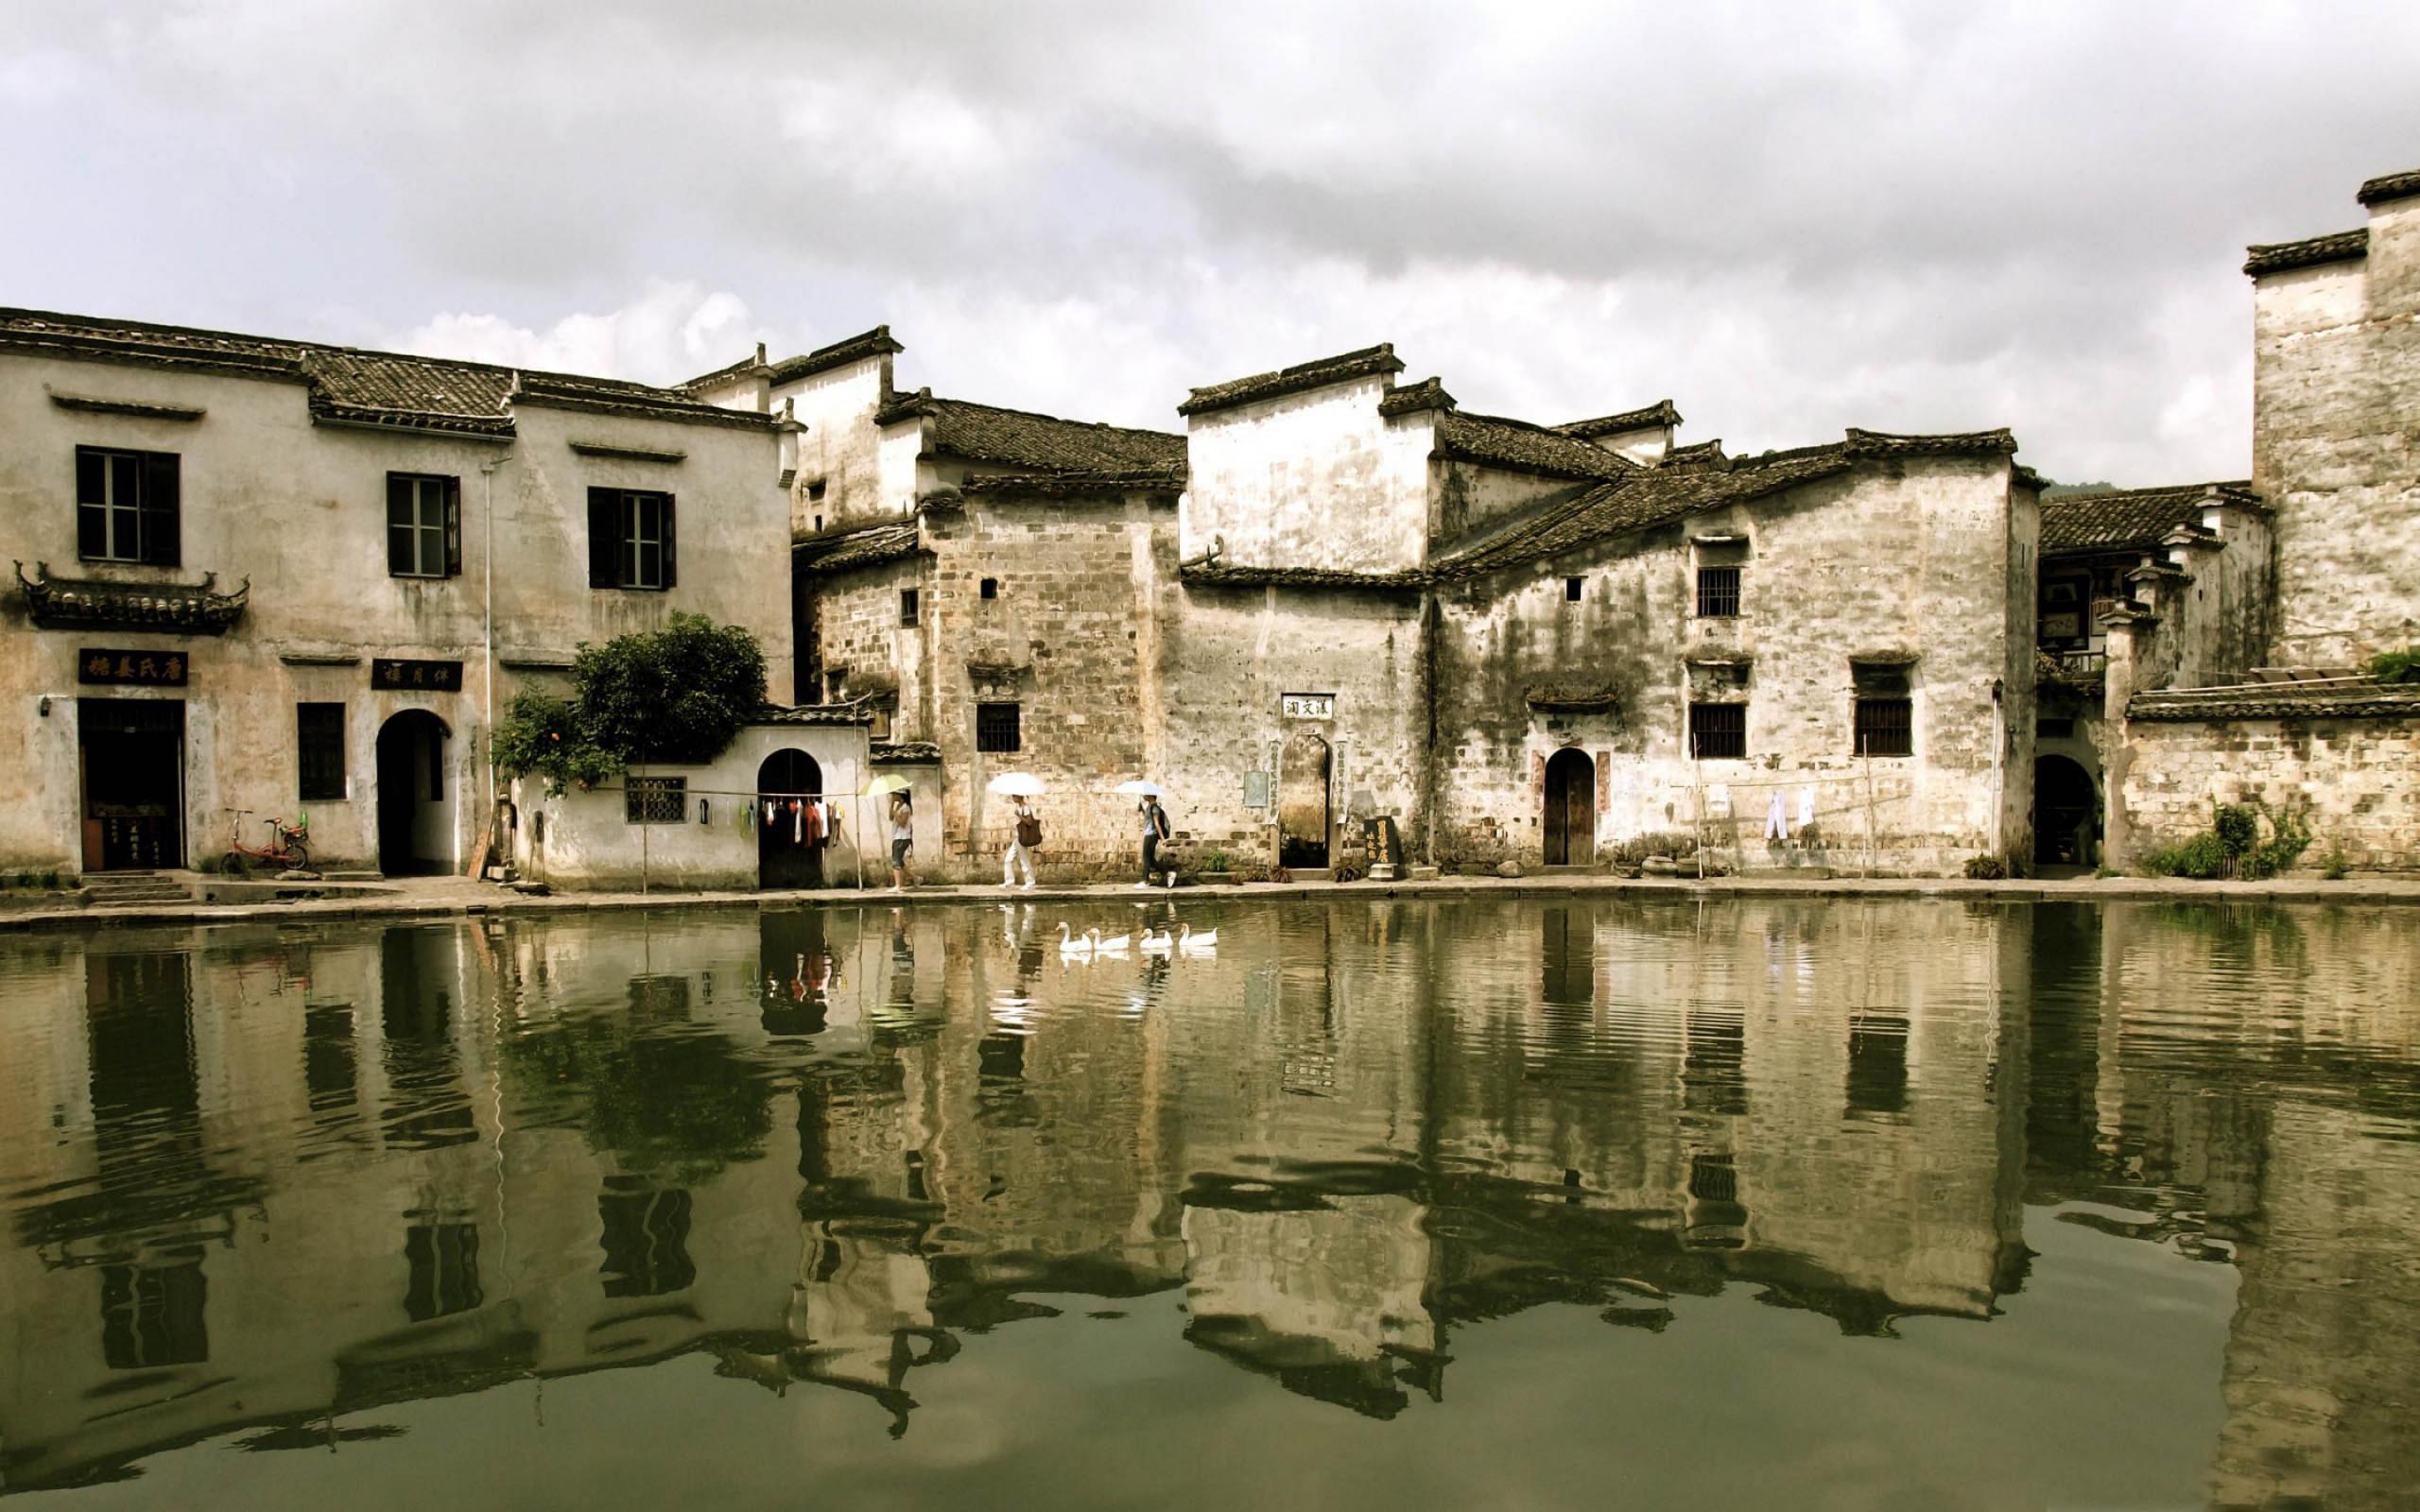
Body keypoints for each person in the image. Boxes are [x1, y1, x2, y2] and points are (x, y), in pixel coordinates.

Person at [1136, 793, 1173, 888]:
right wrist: (1142, 810)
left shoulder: (1155, 808)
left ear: (1150, 796)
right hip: (1148, 834)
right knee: (1151, 860)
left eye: (1145, 794)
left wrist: (1163, 839)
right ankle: (1169, 874)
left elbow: (1157, 824)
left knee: (1146, 858)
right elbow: (1149, 820)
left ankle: (1145, 881)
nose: (1143, 796)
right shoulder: (1150, 807)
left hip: (1151, 835)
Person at [1004, 795, 1041, 889]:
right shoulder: (1019, 807)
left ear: (1018, 797)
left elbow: (1029, 822)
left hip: (1022, 838)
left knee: (1024, 860)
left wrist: (1019, 815)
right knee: (1008, 859)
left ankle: (1030, 883)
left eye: (1014, 796)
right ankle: (1009, 882)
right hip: (1017, 837)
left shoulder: (1025, 808)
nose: (1012, 798)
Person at [888, 790, 914, 891]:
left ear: (900, 795)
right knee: (899, 861)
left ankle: (898, 886)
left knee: (896, 861)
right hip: (897, 837)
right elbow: (891, 818)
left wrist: (895, 812)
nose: (893, 796)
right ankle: (916, 878)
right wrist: (891, 805)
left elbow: (903, 823)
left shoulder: (906, 807)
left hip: (902, 837)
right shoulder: (898, 806)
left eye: (894, 794)